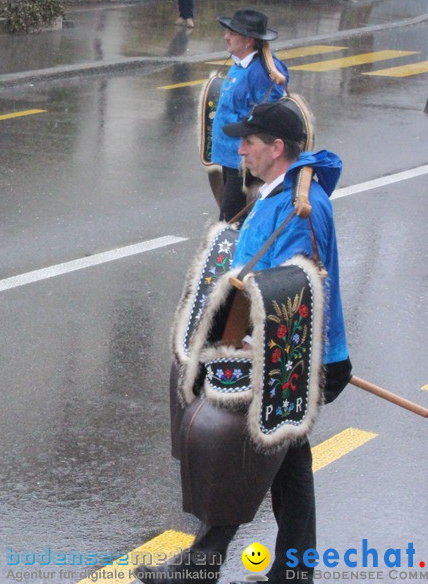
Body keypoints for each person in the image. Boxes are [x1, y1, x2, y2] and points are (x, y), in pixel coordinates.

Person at [136, 100, 352, 584]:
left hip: (292, 358)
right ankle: (293, 576)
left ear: (277, 148)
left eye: (249, 142)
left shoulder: (300, 206)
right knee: (287, 462)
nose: (240, 150)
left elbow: (296, 288)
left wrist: (258, 339)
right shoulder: (279, 192)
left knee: (243, 452)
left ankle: (200, 568)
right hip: (292, 355)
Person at [213, 8, 289, 221]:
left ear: (247, 41)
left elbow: (267, 118)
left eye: (231, 33)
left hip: (244, 163)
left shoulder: (262, 73)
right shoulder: (240, 63)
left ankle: (235, 256)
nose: (226, 36)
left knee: (231, 224)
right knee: (229, 218)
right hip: (230, 158)